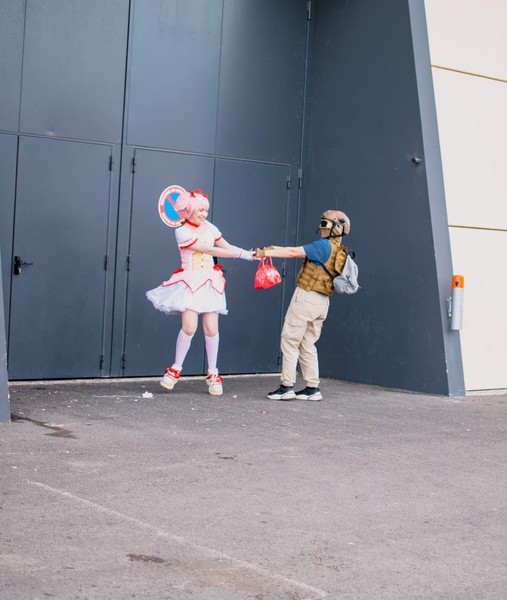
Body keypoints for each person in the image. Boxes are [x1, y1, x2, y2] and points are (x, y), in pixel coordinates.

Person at [146, 189, 255, 396]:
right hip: (190, 281)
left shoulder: (210, 227)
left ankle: (213, 374)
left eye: (206, 210)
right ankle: (175, 369)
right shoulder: (182, 231)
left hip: (210, 281)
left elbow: (226, 245)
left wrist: (250, 254)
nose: (204, 214)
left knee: (211, 329)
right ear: (189, 210)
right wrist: (241, 255)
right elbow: (209, 250)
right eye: (200, 210)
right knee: (189, 327)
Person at [254, 210, 351, 401]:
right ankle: (312, 388)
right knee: (307, 343)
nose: (321, 228)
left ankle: (286, 386)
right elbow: (293, 249)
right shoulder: (338, 249)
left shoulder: (322, 245)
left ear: (335, 228)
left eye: (324, 224)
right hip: (322, 301)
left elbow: (293, 252)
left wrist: (263, 253)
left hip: (307, 297)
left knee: (290, 340)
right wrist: (272, 249)